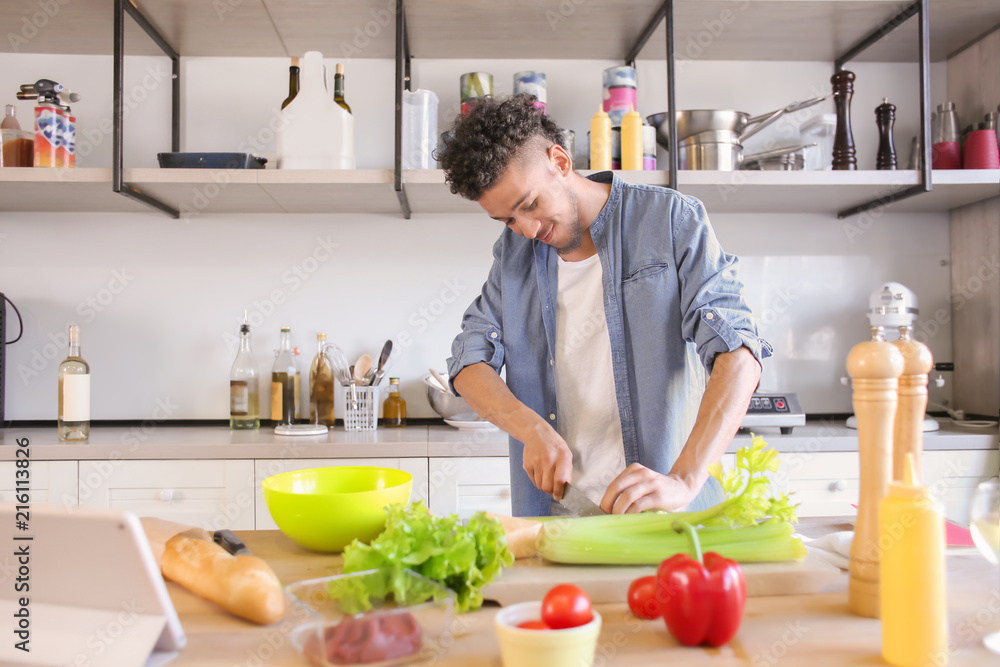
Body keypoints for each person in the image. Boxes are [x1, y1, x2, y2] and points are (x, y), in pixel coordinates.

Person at [439, 94, 771, 517]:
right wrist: (532, 430)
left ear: (559, 161)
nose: (526, 229)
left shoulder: (669, 220)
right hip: (559, 520)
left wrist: (684, 480)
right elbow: (468, 363)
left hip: (664, 519)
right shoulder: (513, 256)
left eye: (529, 205)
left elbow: (739, 352)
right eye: (507, 220)